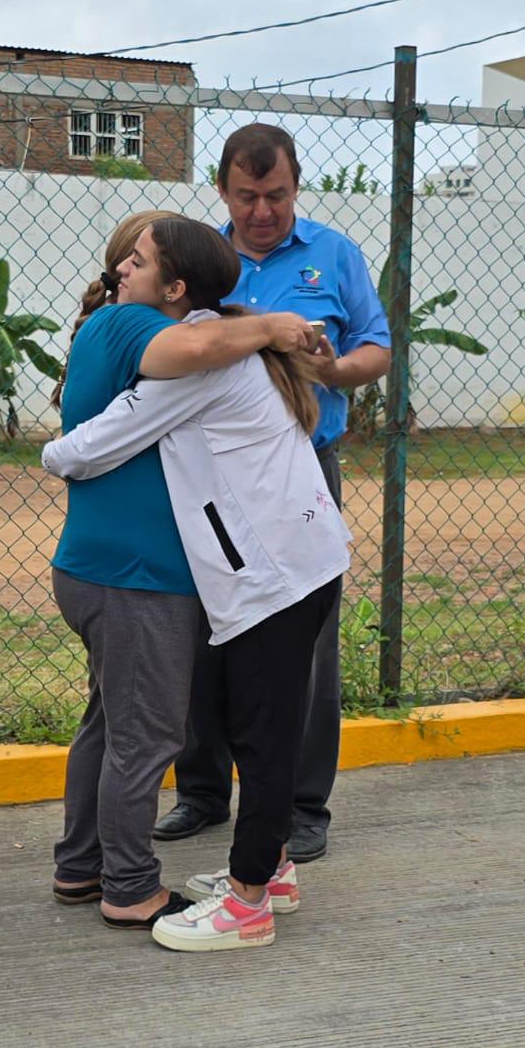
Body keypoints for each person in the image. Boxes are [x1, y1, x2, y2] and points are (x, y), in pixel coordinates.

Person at [44, 216, 350, 950]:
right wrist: (280, 327)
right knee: (242, 725)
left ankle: (247, 900)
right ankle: (266, 872)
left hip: (272, 576)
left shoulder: (204, 358)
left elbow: (88, 448)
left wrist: (51, 451)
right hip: (293, 562)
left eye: (138, 261)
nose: (120, 268)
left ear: (177, 290)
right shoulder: (226, 339)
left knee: (258, 732)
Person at [154, 124, 391, 863]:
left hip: (297, 478)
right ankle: (201, 790)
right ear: (222, 190)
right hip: (207, 484)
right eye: (248, 196)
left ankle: (301, 805)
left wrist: (334, 372)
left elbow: (378, 347)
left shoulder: (334, 255)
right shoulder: (197, 260)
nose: (263, 211)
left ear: (296, 187)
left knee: (304, 651)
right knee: (202, 633)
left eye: (278, 196)